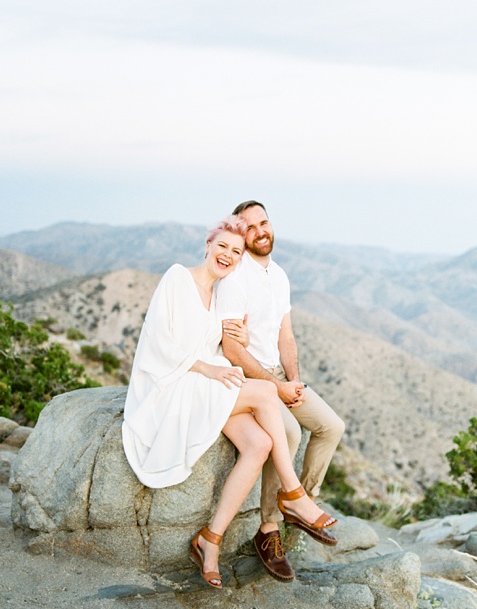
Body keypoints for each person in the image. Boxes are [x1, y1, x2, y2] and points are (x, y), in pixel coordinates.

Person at [121, 216, 336, 589]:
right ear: (207, 245)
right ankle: (294, 495)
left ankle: (211, 539)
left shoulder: (220, 294)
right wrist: (208, 367)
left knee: (260, 444)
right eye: (222, 246)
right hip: (172, 385)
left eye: (235, 252)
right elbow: (157, 340)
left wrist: (235, 342)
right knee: (268, 391)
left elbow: (223, 342)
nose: (227, 255)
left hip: (203, 384)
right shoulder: (178, 278)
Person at [216, 201, 346, 582]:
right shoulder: (235, 278)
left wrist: (295, 381)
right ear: (241, 235)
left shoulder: (280, 275)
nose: (261, 230)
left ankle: (302, 503)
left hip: (280, 376)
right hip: (251, 379)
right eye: (250, 227)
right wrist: (277, 388)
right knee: (287, 433)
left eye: (264, 222)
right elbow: (233, 350)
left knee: (331, 427)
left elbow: (284, 335)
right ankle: (269, 529)